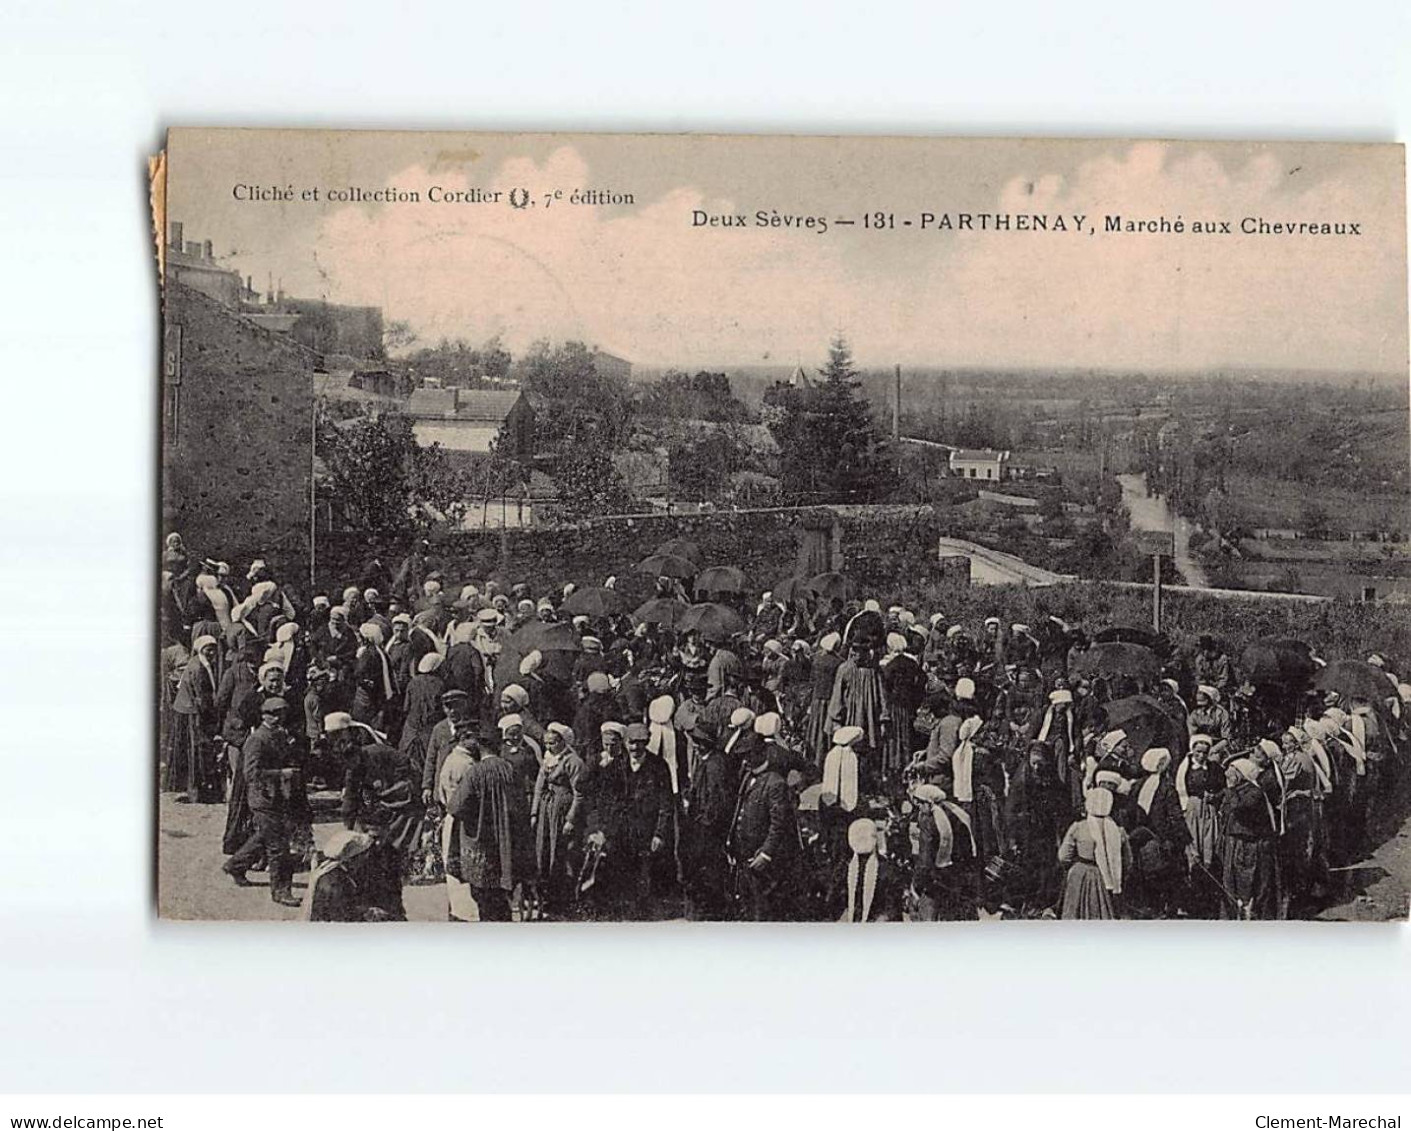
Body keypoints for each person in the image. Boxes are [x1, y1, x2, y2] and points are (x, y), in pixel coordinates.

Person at [222, 696, 302, 907]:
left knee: (264, 837)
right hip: (262, 798)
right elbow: (251, 774)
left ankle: (236, 865)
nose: (280, 718)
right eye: (276, 715)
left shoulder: (279, 735)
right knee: (279, 847)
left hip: (277, 797)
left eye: (282, 714)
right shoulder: (257, 739)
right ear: (267, 716)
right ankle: (281, 891)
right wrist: (282, 773)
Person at [445, 732, 533, 922]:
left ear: (479, 748)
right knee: (502, 899)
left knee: (484, 899)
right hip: (506, 843)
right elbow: (522, 804)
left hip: (481, 844)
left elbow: (456, 806)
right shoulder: (509, 769)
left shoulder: (475, 772)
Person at [729, 735, 801, 921]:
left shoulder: (775, 783)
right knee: (748, 905)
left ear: (761, 754)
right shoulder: (747, 776)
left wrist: (766, 853)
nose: (745, 760)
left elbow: (779, 824)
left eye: (749, 755)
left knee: (763, 909)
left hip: (762, 858)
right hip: (745, 854)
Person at [530, 722, 587, 918]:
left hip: (562, 810)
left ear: (563, 742)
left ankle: (564, 898)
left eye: (553, 743)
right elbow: (539, 786)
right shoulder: (548, 759)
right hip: (548, 810)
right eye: (546, 743)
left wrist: (571, 818)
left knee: (563, 852)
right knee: (544, 850)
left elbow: (580, 794)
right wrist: (535, 812)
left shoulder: (573, 762)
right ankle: (546, 896)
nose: (549, 747)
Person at [1129, 747, 1190, 917]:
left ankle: (1151, 907)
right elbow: (1175, 816)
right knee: (1169, 874)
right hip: (1163, 839)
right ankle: (1168, 909)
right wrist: (1184, 839)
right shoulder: (1167, 788)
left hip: (1142, 836)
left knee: (1146, 874)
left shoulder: (1138, 785)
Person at [1218, 758, 1281, 920]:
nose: (1229, 775)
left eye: (1234, 771)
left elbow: (1239, 808)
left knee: (1246, 878)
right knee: (1230, 880)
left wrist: (1230, 789)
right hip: (1233, 841)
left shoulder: (1254, 792)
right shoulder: (1236, 789)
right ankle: (1234, 912)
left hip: (1247, 843)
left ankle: (1248, 911)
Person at [1057, 787, 1131, 920]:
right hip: (1107, 879)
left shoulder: (1078, 827)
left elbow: (1063, 856)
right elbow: (1128, 861)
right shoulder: (1119, 831)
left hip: (1080, 875)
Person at [303, 829, 406, 922]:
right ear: (353, 858)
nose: (367, 858)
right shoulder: (334, 884)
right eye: (365, 854)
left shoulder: (340, 874)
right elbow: (341, 917)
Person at [1175, 733, 1225, 917]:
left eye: (1204, 752)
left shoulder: (1214, 768)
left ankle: (1207, 888)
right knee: (1193, 847)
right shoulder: (1186, 767)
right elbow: (1180, 788)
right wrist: (1186, 807)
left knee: (1209, 844)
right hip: (1192, 808)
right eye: (1198, 752)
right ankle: (1192, 891)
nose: (1201, 756)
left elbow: (1223, 789)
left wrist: (1215, 797)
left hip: (1209, 810)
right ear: (1192, 750)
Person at [168, 635, 223, 803]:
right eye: (209, 649)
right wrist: (212, 716)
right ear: (201, 649)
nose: (212, 652)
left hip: (188, 709)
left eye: (214, 648)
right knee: (195, 749)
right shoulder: (198, 667)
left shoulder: (200, 662)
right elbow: (200, 697)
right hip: (191, 712)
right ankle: (196, 789)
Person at [831, 817, 904, 922]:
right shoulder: (846, 867)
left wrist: (883, 918)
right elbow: (837, 898)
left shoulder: (886, 869)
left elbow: (892, 905)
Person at [880, 631, 926, 785]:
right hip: (908, 706)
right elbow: (921, 682)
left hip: (893, 706)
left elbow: (885, 687)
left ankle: (891, 767)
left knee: (892, 738)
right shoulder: (911, 663)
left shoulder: (889, 665)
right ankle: (906, 767)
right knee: (906, 736)